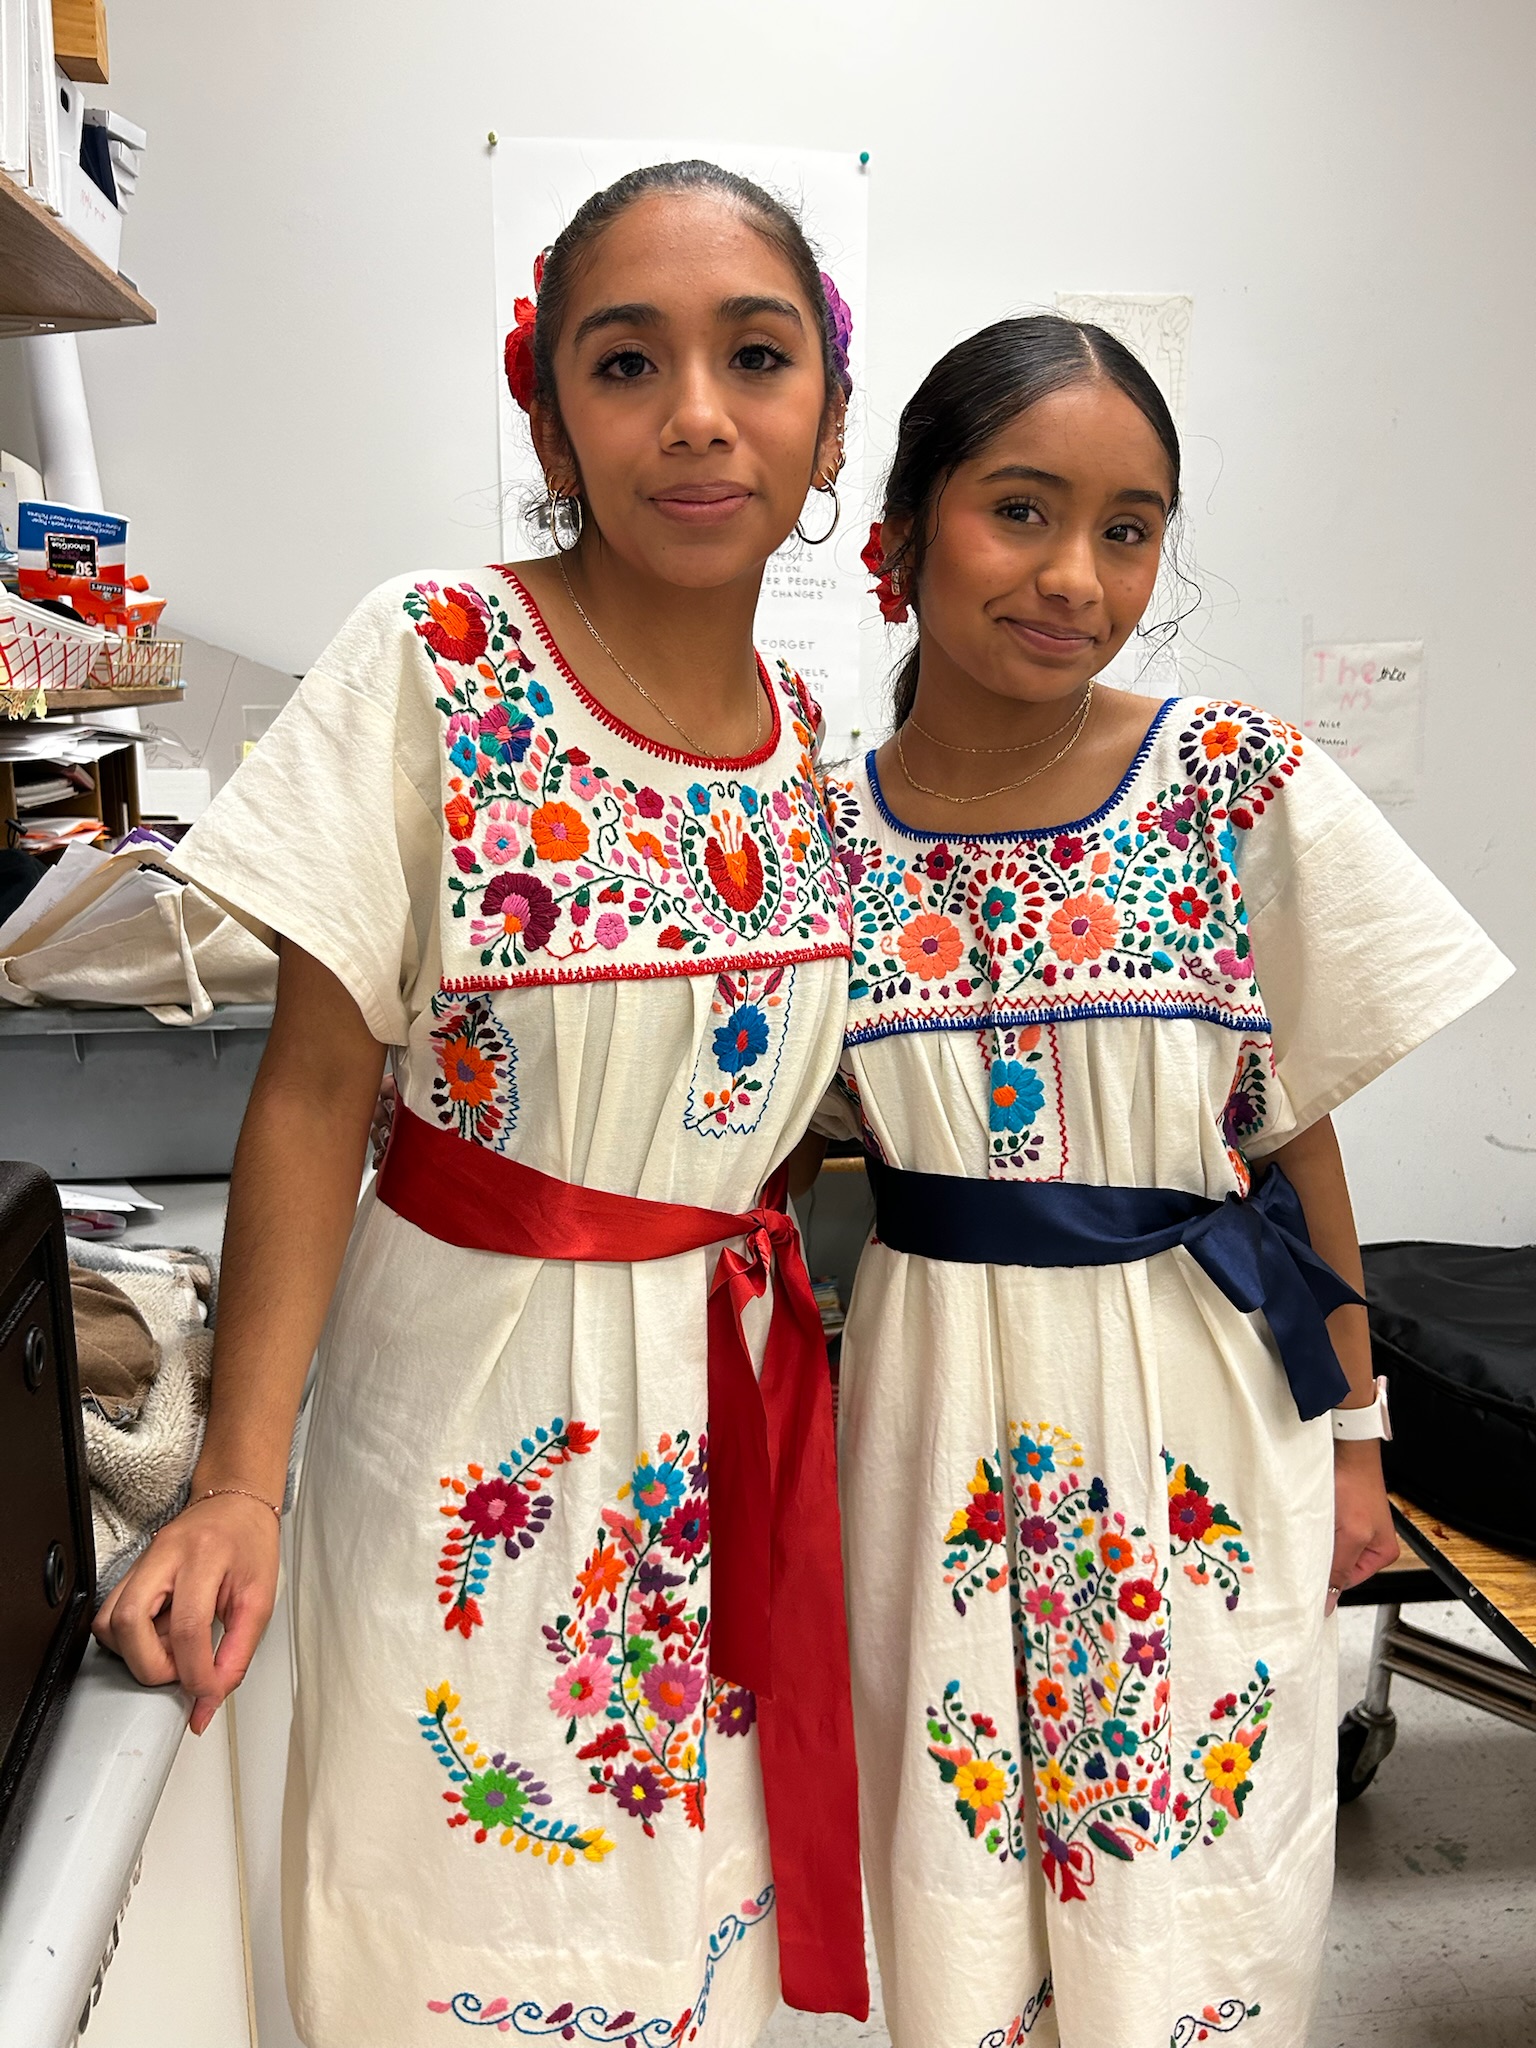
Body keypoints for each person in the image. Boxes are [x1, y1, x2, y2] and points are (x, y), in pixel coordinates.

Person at [92, 161, 870, 2047]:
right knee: (456, 1903)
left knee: (684, 1914)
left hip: (722, 1412)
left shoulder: (809, 733)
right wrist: (238, 1486)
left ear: (828, 415)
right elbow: (311, 1091)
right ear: (552, 414)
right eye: (628, 363)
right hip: (467, 1411)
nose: (696, 412)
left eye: (753, 356)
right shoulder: (435, 658)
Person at [808, 315, 1512, 2048]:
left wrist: (1360, 1438)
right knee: (956, 1845)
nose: (1077, 576)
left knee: (1195, 1845)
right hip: (930, 1401)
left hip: (1195, 1388)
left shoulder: (1234, 784)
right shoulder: (813, 834)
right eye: (1022, 511)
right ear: (903, 534)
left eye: (1130, 531)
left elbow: (1295, 1131)